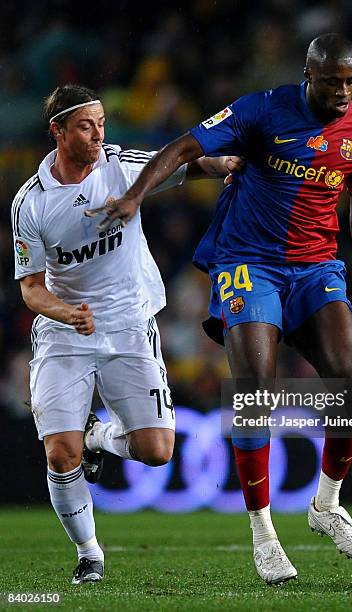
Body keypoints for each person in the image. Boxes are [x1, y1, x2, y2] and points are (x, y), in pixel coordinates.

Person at [89, 33, 352, 585]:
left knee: (351, 381)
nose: (343, 92)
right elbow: (184, 147)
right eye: (332, 82)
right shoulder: (262, 109)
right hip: (248, 260)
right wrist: (135, 194)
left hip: (317, 267)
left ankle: (326, 505)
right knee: (257, 391)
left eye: (351, 82)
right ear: (308, 74)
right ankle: (263, 532)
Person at [11, 84, 242, 585]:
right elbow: (30, 289)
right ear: (59, 131)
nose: (98, 134)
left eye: (101, 123)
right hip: (65, 334)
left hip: (131, 326)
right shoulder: (31, 202)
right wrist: (66, 311)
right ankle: (89, 553)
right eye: (86, 126)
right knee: (59, 452)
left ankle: (99, 435)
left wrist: (227, 165)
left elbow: (185, 165)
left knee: (158, 451)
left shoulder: (119, 166)